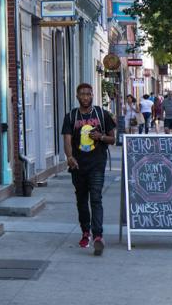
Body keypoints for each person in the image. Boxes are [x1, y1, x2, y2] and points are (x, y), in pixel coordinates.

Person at [62, 83, 116, 256]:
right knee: (81, 200)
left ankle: (98, 236)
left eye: (88, 94)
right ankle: (86, 232)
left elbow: (113, 139)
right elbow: (67, 140)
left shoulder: (102, 114)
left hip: (97, 164)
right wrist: (69, 157)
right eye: (82, 94)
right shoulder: (71, 116)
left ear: (92, 95)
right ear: (77, 96)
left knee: (96, 198)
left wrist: (100, 136)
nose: (85, 97)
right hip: (78, 165)